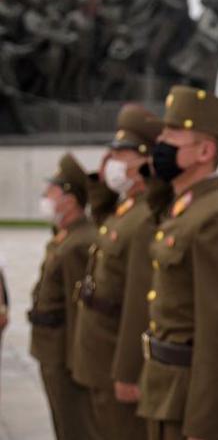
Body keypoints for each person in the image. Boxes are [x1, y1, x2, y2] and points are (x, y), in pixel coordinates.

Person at [137, 86, 218, 440]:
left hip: (190, 401)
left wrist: (204, 425)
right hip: (165, 389)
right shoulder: (182, 209)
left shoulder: (217, 217)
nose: (162, 142)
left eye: (173, 134)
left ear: (205, 151)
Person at [73, 104, 168, 439]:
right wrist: (100, 184)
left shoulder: (144, 218)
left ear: (145, 160)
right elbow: (104, 227)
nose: (112, 160)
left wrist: (128, 370)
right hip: (99, 353)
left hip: (115, 355)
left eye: (122, 154)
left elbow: (139, 301)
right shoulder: (124, 209)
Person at [29, 154, 100, 439]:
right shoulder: (66, 236)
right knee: (64, 425)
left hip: (65, 356)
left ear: (70, 199)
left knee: (76, 428)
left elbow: (78, 309)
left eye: (52, 191)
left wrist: (77, 364)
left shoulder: (80, 243)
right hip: (52, 351)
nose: (45, 196)